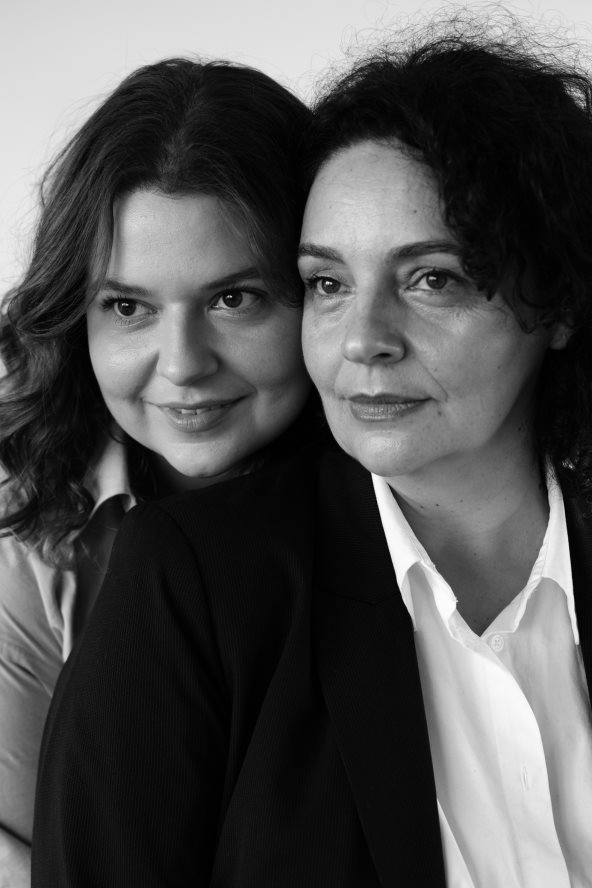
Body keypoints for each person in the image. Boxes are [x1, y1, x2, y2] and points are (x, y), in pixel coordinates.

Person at [32, 20, 592, 888]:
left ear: (556, 300)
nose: (363, 339)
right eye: (328, 283)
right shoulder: (185, 581)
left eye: (432, 278)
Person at [0, 57, 313, 886]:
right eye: (128, 307)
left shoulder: (412, 500)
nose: (182, 366)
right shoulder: (30, 520)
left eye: (234, 298)